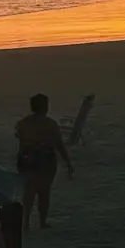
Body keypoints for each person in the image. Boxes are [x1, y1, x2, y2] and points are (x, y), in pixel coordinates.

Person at [14, 92, 73, 229]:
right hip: (46, 161)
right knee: (44, 192)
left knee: (28, 192)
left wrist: (20, 161)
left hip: (27, 160)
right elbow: (59, 145)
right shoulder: (50, 124)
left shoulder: (23, 123)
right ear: (45, 107)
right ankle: (42, 221)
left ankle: (26, 222)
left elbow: (21, 145)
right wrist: (68, 162)